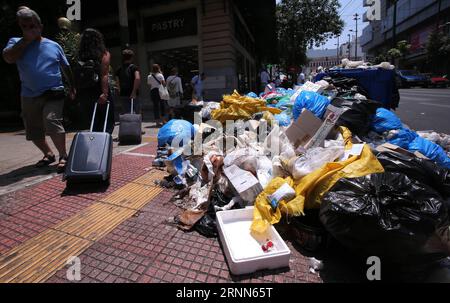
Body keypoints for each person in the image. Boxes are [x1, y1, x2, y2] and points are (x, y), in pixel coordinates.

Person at [2, 8, 76, 173]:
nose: (29, 29)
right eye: (25, 26)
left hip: (53, 92)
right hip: (29, 94)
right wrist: (25, 41)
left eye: (33, 25)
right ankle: (48, 153)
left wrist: (72, 86)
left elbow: (66, 66)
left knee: (51, 121)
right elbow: (8, 58)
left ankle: (63, 155)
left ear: (40, 26)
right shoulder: (16, 43)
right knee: (33, 129)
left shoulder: (53, 45)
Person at [75, 28, 115, 134]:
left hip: (84, 94)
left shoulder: (79, 55)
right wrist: (105, 93)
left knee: (93, 123)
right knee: (107, 122)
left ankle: (94, 147)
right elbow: (104, 75)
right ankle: (104, 147)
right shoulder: (103, 54)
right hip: (99, 91)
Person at [115, 49, 141, 115]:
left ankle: (127, 125)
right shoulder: (134, 67)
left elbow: (117, 82)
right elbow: (137, 78)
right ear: (132, 57)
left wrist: (120, 91)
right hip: (133, 94)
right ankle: (135, 125)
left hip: (123, 93)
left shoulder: (119, 69)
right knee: (135, 113)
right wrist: (134, 92)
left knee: (126, 113)